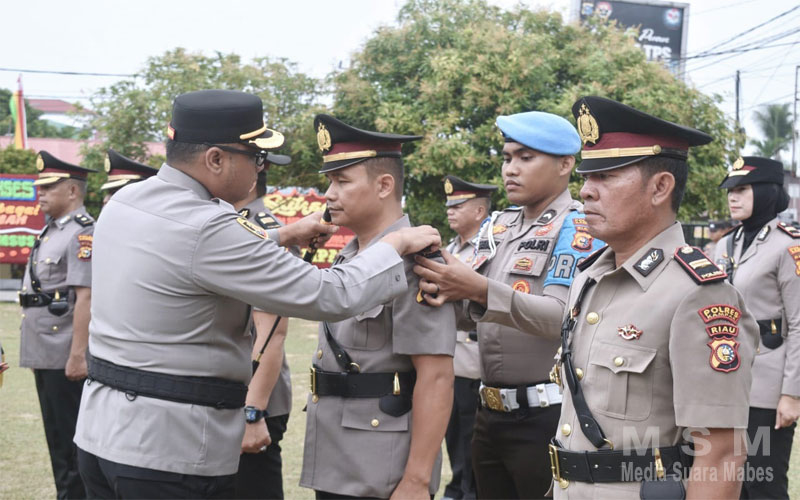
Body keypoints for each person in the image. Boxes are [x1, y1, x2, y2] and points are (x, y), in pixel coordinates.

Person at [72, 90, 442, 499]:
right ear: (215, 159)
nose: (259, 168)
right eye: (255, 156)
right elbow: (331, 295)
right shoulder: (210, 225)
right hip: (166, 452)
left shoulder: (127, 201)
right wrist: (394, 245)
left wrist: (282, 235)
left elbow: (186, 253)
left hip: (100, 437)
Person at [546, 95, 759, 499]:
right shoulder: (588, 278)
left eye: (606, 176)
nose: (586, 191)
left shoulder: (697, 294)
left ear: (661, 187)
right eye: (587, 177)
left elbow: (721, 454)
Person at [414, 111, 603, 499]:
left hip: (546, 417)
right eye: (507, 157)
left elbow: (561, 318)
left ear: (565, 165)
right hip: (488, 414)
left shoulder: (577, 225)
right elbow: (472, 313)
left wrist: (480, 289)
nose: (511, 169)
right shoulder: (498, 226)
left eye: (525, 158)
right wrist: (435, 287)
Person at [300, 114, 456, 500]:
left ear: (384, 185)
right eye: (329, 182)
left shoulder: (416, 261)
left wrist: (416, 480)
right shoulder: (352, 257)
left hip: (382, 469)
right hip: (336, 456)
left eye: (342, 181)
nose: (329, 194)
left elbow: (436, 377)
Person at [715, 156, 800, 499]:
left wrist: (792, 394)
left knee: (763, 482)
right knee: (727, 482)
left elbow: (799, 323)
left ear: (767, 192)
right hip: (724, 377)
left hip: (767, 384)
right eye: (730, 191)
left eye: (743, 189)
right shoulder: (725, 244)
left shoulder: (789, 245)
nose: (732, 197)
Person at [19, 151, 96, 499]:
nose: (41, 193)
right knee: (57, 439)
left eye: (49, 187)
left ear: (73, 191)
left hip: (64, 353)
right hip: (45, 351)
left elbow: (86, 297)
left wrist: (78, 355)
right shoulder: (51, 231)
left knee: (70, 443)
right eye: (41, 187)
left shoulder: (82, 233)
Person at [233, 153, 296, 500]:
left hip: (255, 400)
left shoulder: (263, 231)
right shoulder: (232, 226)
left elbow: (273, 335)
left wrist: (253, 412)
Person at [440, 175, 497, 500]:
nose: (450, 211)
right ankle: (457, 489)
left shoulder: (490, 250)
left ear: (479, 211)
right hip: (447, 364)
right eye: (449, 206)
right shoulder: (449, 250)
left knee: (471, 441)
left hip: (475, 366)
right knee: (452, 438)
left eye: (458, 206)